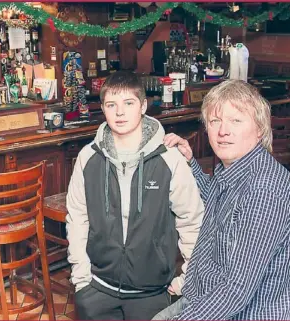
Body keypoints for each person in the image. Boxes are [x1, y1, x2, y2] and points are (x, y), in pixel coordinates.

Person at [156, 79, 290, 320]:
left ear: (260, 128)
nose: (223, 131)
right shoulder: (239, 169)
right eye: (215, 121)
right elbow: (219, 201)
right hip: (204, 298)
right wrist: (190, 163)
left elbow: (235, 292)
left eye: (236, 121)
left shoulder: (264, 191)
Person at [66, 71, 204, 320]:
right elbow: (77, 218)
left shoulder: (169, 158)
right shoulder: (88, 158)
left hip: (151, 293)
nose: (119, 113)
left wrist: (187, 279)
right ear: (103, 109)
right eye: (111, 105)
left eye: (128, 103)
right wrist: (82, 279)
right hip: (97, 289)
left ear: (142, 106)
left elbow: (192, 221)